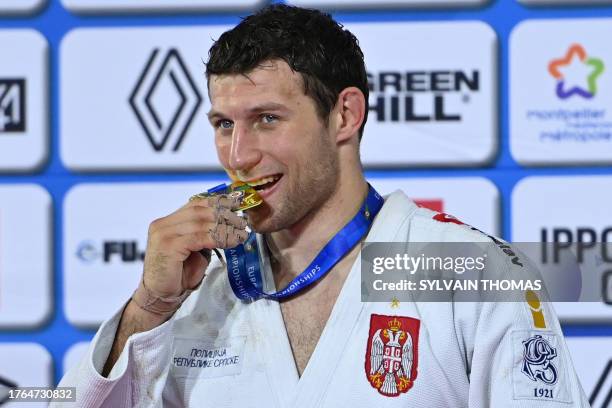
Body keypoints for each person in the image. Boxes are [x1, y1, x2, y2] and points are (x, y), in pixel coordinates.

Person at [54, 5, 590, 407]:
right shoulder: (198, 290)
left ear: (345, 115)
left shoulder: (463, 269)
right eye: (223, 124)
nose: (239, 154)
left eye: (267, 118)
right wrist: (147, 308)